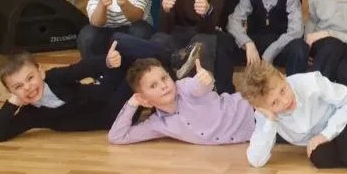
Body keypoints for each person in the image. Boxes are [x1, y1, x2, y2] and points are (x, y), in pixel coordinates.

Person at [107, 56, 255, 146]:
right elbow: (117, 136)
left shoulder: (184, 87)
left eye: (164, 78)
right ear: (144, 99)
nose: (163, 85)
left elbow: (200, 85)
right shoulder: (158, 124)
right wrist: (133, 103)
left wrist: (204, 79)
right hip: (254, 132)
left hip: (254, 107)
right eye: (153, 85)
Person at [0, 53, 129, 143]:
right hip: (118, 117)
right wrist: (13, 103)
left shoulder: (55, 77)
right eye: (18, 86)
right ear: (10, 91)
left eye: (30, 78)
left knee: (124, 50)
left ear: (40, 72)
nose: (27, 87)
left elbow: (81, 68)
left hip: (109, 94)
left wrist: (107, 61)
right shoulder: (31, 115)